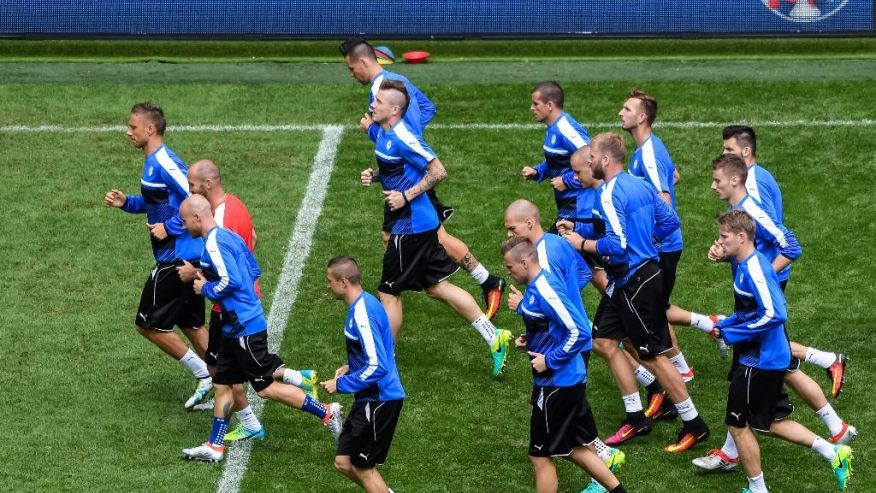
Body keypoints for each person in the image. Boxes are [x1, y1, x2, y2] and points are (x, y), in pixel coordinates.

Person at [693, 154, 856, 471]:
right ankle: (835, 426)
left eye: (717, 180)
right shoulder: (735, 214)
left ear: (734, 180)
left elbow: (790, 245)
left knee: (773, 365)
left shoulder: (751, 210)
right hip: (753, 294)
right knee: (770, 372)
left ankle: (828, 372)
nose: (712, 185)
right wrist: (727, 257)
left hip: (763, 298)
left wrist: (760, 275)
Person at [562, 133, 710, 453]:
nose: (587, 165)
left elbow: (616, 248)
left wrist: (582, 244)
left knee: (653, 356)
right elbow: (670, 221)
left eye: (590, 160)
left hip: (634, 281)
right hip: (635, 278)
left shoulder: (610, 192)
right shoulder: (640, 184)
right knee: (602, 341)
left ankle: (693, 423)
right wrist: (646, 241)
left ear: (604, 160)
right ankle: (636, 417)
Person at [340, 36, 506, 320]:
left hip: (410, 180)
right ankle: (422, 276)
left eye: (351, 68)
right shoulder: (397, 78)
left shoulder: (382, 88)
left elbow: (395, 133)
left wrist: (387, 135)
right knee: (399, 235)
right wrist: (408, 142)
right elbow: (428, 108)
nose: (351, 73)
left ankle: (486, 281)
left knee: (436, 237)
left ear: (363, 62)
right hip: (406, 171)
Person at [361, 79, 512, 377]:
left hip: (411, 227)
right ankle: (494, 336)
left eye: (378, 101)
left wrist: (406, 195)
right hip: (415, 224)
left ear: (394, 110)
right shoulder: (384, 134)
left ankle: (383, 364)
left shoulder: (404, 136)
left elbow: (438, 171)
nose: (371, 104)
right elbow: (399, 168)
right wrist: (376, 175)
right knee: (436, 287)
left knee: (389, 294)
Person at [178, 195, 343, 462]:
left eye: (185, 221)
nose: (184, 227)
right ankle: (215, 446)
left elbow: (230, 280)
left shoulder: (213, 244)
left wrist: (204, 287)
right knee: (222, 384)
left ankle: (326, 411)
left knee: (265, 387)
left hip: (244, 327)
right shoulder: (229, 237)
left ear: (197, 217)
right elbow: (253, 270)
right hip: (234, 326)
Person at [709, 210, 853, 493]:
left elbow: (775, 315)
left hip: (758, 360)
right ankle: (833, 453)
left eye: (724, 237)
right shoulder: (744, 264)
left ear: (741, 238)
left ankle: (758, 489)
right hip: (765, 356)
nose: (719, 242)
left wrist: (732, 333)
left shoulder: (754, 269)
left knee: (739, 425)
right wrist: (726, 324)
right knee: (770, 422)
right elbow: (748, 310)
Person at [178, 159, 318, 441]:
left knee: (253, 378)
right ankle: (236, 430)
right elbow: (251, 244)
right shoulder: (234, 206)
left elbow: (230, 271)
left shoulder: (219, 221)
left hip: (232, 309)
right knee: (225, 369)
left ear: (208, 184)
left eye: (192, 185)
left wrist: (201, 279)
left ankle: (301, 391)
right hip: (238, 305)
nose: (189, 189)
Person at [503, 200, 625, 493]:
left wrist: (551, 358)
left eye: (511, 229)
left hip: (558, 373)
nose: (509, 235)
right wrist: (534, 335)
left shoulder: (543, 274)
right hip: (561, 367)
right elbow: (583, 276)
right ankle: (612, 476)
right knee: (570, 443)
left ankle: (609, 468)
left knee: (542, 454)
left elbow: (579, 331)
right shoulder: (556, 248)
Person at [723, 125, 847, 396]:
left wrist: (763, 271)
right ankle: (826, 367)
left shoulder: (752, 184)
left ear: (746, 151)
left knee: (765, 344)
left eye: (729, 150)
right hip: (759, 273)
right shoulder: (754, 177)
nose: (724, 154)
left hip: (764, 275)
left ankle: (825, 397)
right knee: (763, 342)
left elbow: (776, 232)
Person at [103, 102, 212, 410]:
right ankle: (227, 383)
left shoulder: (165, 161)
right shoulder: (152, 161)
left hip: (176, 258)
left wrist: (172, 225)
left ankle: (204, 374)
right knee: (192, 325)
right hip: (181, 256)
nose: (128, 132)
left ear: (150, 129)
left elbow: (198, 198)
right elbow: (157, 202)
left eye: (132, 127)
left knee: (147, 324)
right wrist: (127, 203)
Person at [620, 88, 727, 371]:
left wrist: (647, 236)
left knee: (648, 314)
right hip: (660, 245)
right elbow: (674, 176)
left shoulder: (649, 154)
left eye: (627, 109)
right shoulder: (647, 149)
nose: (621, 112)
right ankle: (708, 329)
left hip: (660, 246)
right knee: (653, 309)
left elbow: (665, 202)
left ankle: (680, 371)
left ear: (642, 117)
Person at [321, 256, 405, 493]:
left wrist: (341, 384)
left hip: (380, 399)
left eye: (330, 281)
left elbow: (378, 366)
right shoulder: (365, 303)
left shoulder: (362, 313)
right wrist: (351, 366)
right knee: (343, 462)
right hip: (369, 398)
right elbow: (378, 349)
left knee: (363, 467)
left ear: (344, 281)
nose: (328, 286)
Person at [521, 81, 591, 230]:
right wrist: (538, 171)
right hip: (568, 202)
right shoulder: (553, 128)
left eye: (536, 104)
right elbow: (557, 160)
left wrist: (566, 181)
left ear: (550, 105)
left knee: (554, 249)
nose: (531, 108)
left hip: (580, 203)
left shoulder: (565, 129)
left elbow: (592, 161)